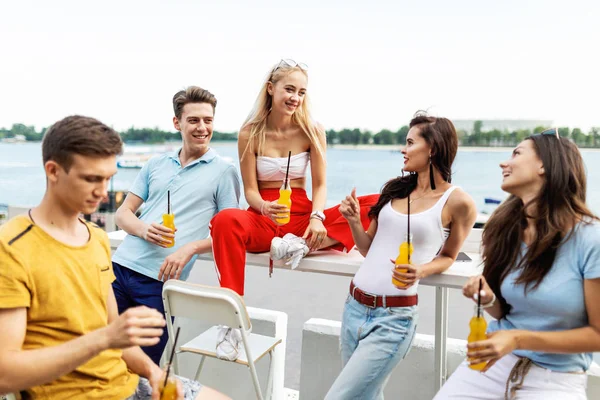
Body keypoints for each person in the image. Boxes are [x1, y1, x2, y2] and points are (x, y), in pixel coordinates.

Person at [0, 116, 228, 399]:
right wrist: (105, 339)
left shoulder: (95, 237)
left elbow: (115, 335)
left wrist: (153, 372)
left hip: (126, 385)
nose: (103, 192)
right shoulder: (11, 247)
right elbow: (4, 375)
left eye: (108, 179)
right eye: (91, 179)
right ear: (53, 171)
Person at [209, 59, 378, 359]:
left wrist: (317, 217)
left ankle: (300, 244)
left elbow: (321, 186)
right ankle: (231, 320)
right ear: (271, 89)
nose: (295, 98)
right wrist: (263, 206)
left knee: (375, 203)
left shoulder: (313, 131)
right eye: (289, 89)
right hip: (264, 217)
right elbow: (250, 190)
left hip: (303, 219)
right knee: (224, 220)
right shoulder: (249, 132)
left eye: (301, 91)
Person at [434, 129, 600, 400]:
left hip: (555, 379)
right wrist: (488, 299)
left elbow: (598, 335)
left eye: (516, 153)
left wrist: (519, 339)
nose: (504, 163)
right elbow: (504, 314)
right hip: (490, 366)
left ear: (544, 165)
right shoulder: (504, 229)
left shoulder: (591, 238)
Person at [325, 113, 477, 399]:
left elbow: (449, 256)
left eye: (409, 142)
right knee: (366, 396)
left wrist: (420, 270)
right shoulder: (395, 189)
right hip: (354, 306)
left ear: (432, 148)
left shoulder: (458, 202)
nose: (403, 149)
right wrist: (354, 221)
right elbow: (369, 248)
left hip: (393, 319)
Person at [112, 86, 240, 365]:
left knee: (142, 370)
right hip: (118, 270)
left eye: (208, 120)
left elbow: (232, 234)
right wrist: (144, 229)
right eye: (194, 120)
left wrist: (190, 248)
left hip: (160, 283)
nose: (202, 127)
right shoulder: (156, 163)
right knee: (101, 361)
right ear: (177, 123)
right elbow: (122, 214)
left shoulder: (224, 171)